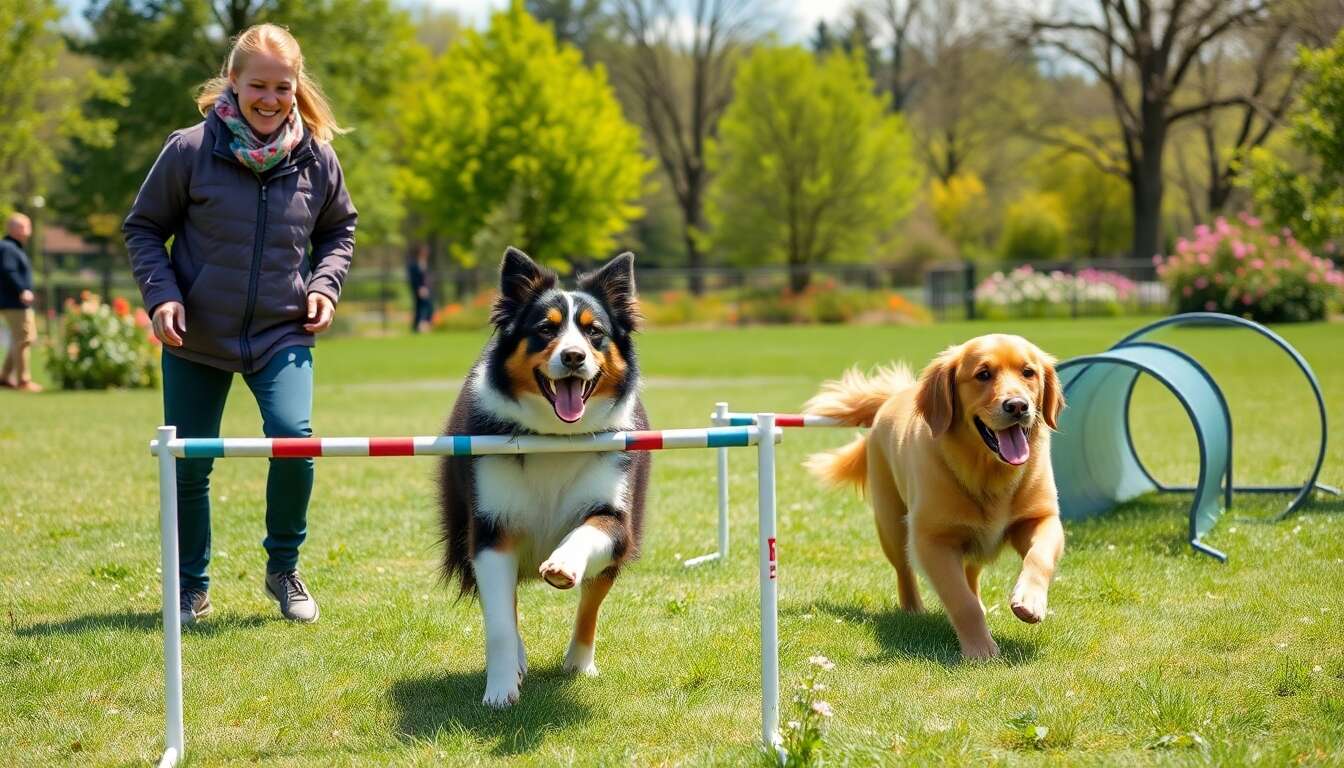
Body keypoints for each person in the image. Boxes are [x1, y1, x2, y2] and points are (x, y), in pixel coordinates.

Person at [124, 23, 357, 626]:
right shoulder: (189, 150)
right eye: (258, 85)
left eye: (283, 87)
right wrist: (162, 297)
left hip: (282, 333)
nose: (271, 99)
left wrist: (325, 286)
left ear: (295, 87)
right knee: (190, 464)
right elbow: (144, 228)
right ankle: (190, 587)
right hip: (196, 335)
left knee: (294, 439)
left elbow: (339, 231)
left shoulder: (317, 158)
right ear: (234, 82)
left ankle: (284, 569)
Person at [0, 213, 41, 393]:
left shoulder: (12, 247)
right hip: (14, 302)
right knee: (24, 339)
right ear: (12, 228)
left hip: (12, 301)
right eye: (23, 226)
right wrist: (21, 289)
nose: (28, 231)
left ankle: (4, 377)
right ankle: (23, 380)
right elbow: (9, 271)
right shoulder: (9, 248)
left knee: (21, 339)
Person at [407, 244, 434, 333]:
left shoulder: (425, 262)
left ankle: (423, 325)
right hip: (418, 289)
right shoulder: (414, 263)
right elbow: (414, 278)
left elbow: (426, 276)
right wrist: (419, 288)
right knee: (421, 307)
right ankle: (418, 326)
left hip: (426, 289)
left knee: (428, 306)